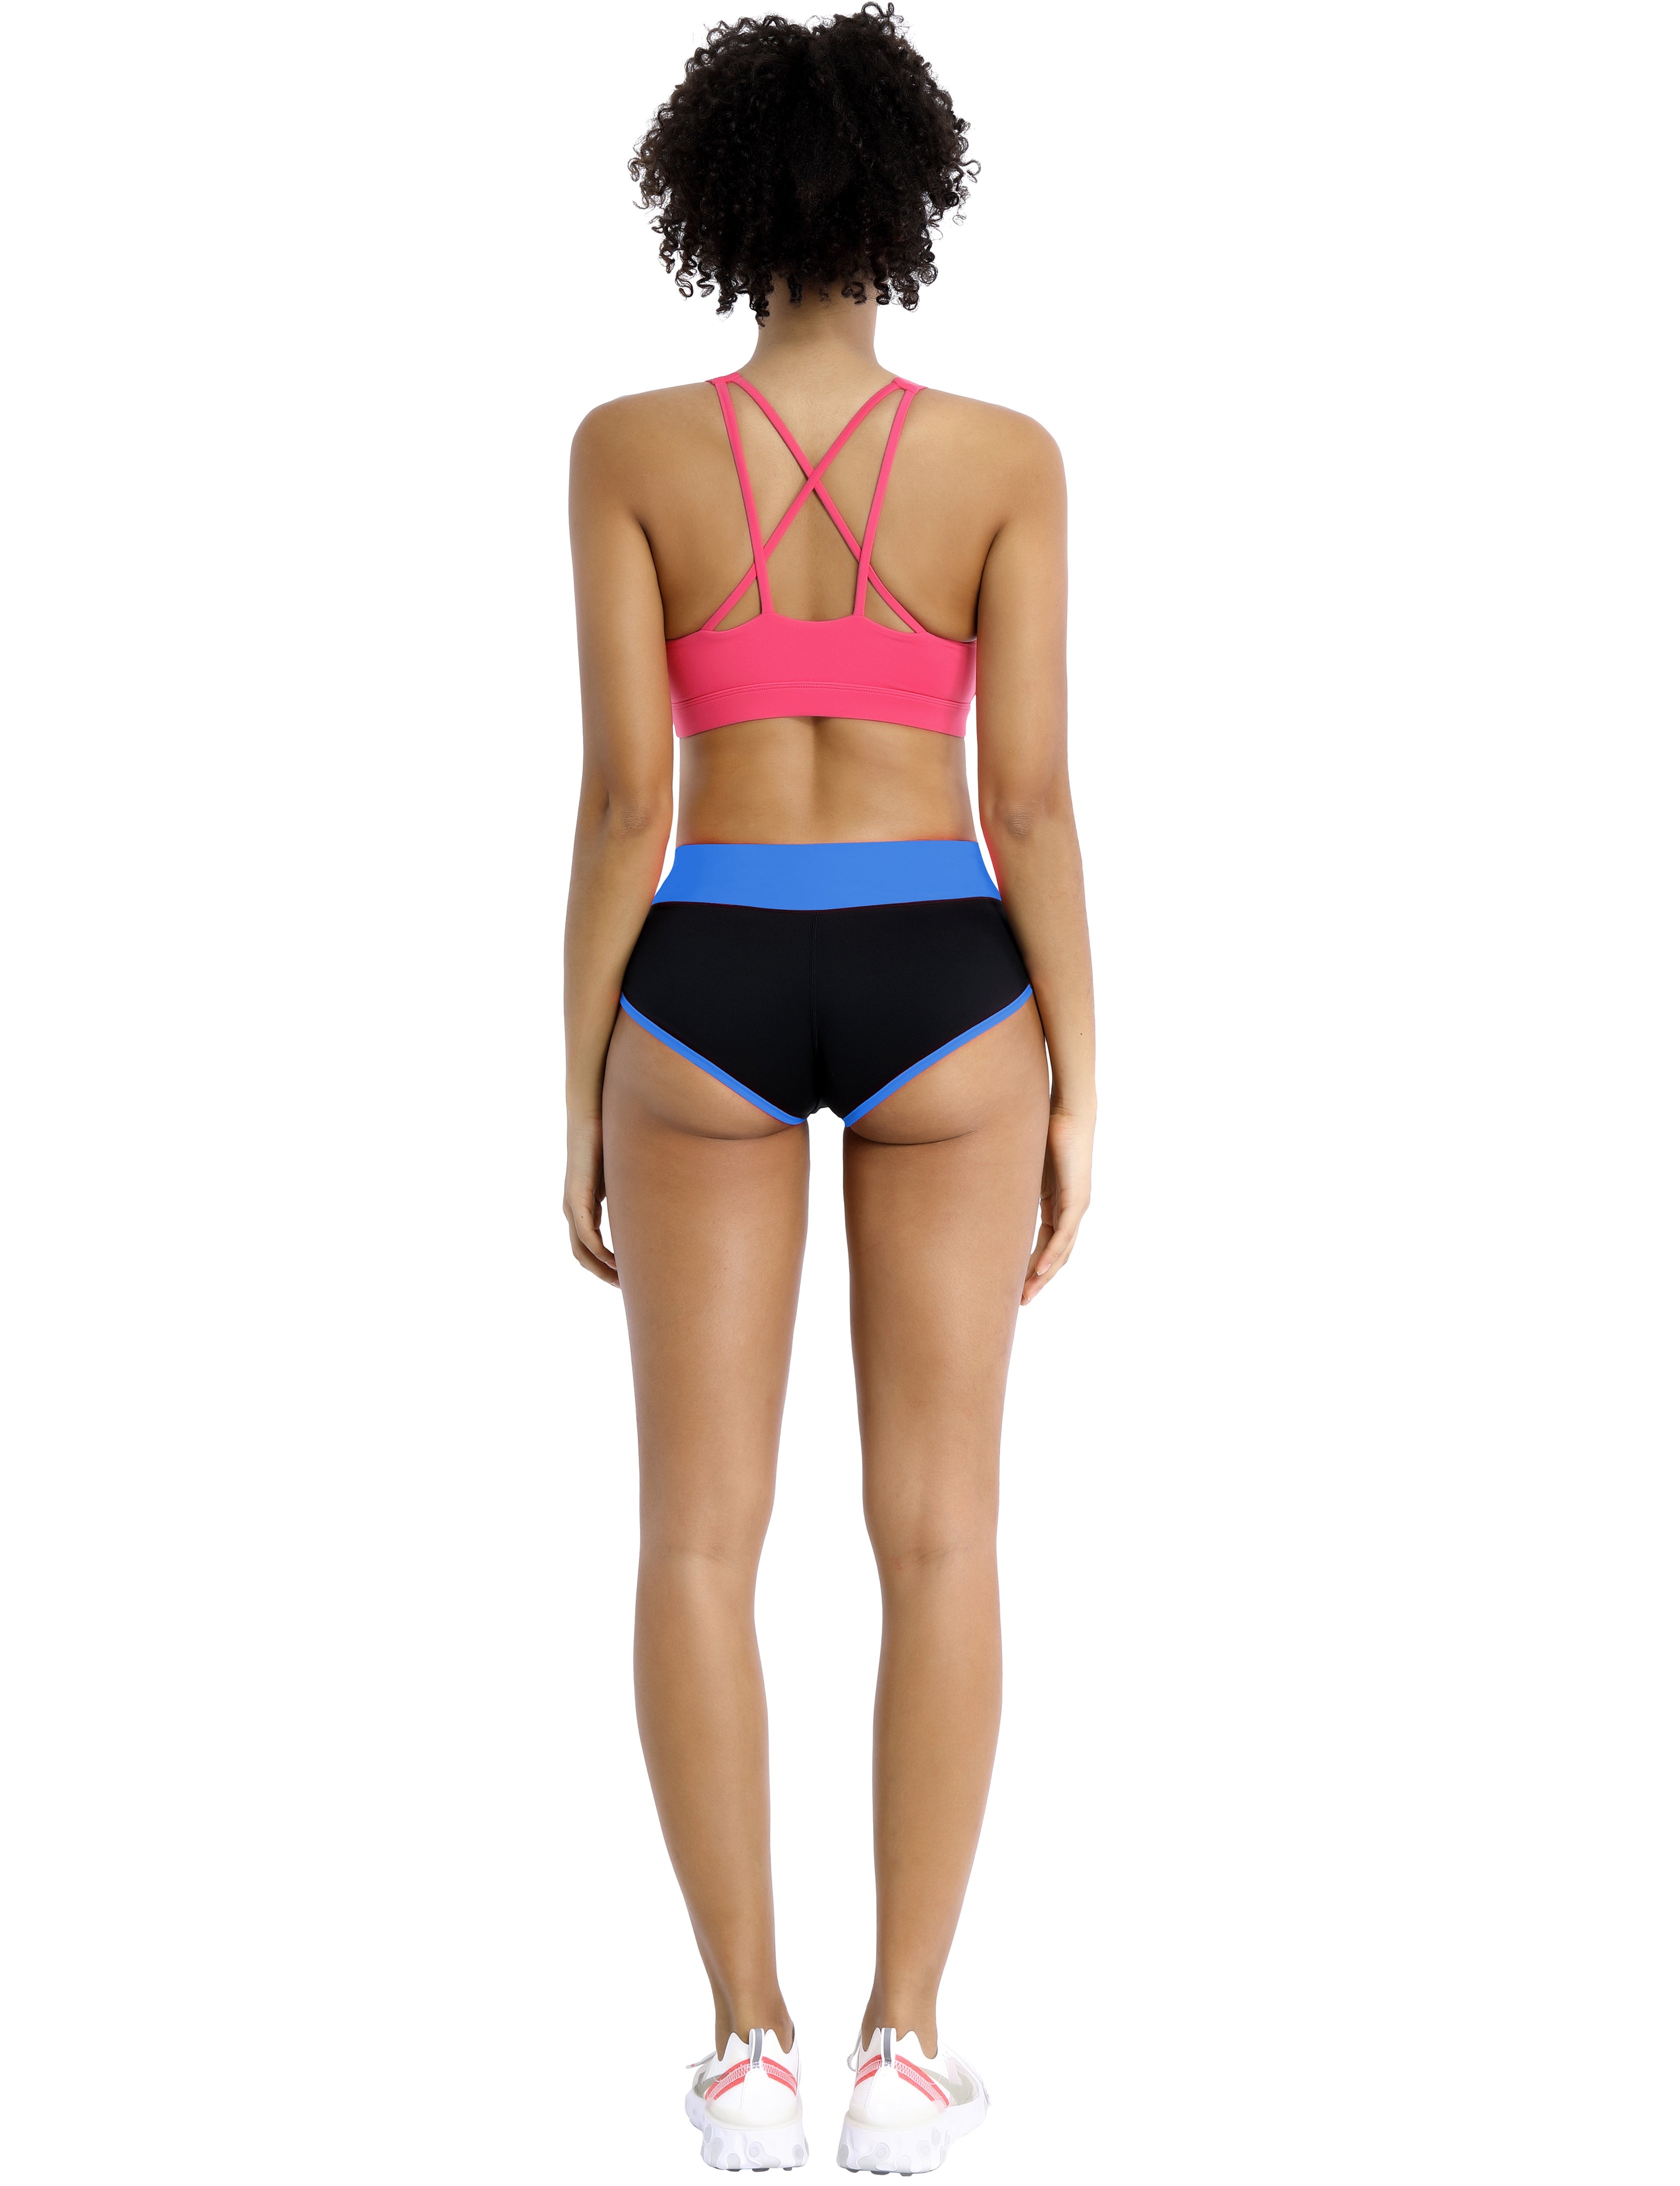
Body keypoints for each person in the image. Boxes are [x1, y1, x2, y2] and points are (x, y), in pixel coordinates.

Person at [564, 7, 1095, 2170]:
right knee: (940, 1529)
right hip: (945, 981)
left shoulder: (626, 450)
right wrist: (1082, 1080)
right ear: (906, 199)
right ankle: (903, 2046)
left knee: (698, 1533)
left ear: (714, 205)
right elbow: (1028, 801)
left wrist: (574, 1084)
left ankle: (744, 2052)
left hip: (702, 976)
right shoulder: (1003, 460)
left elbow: (627, 803)